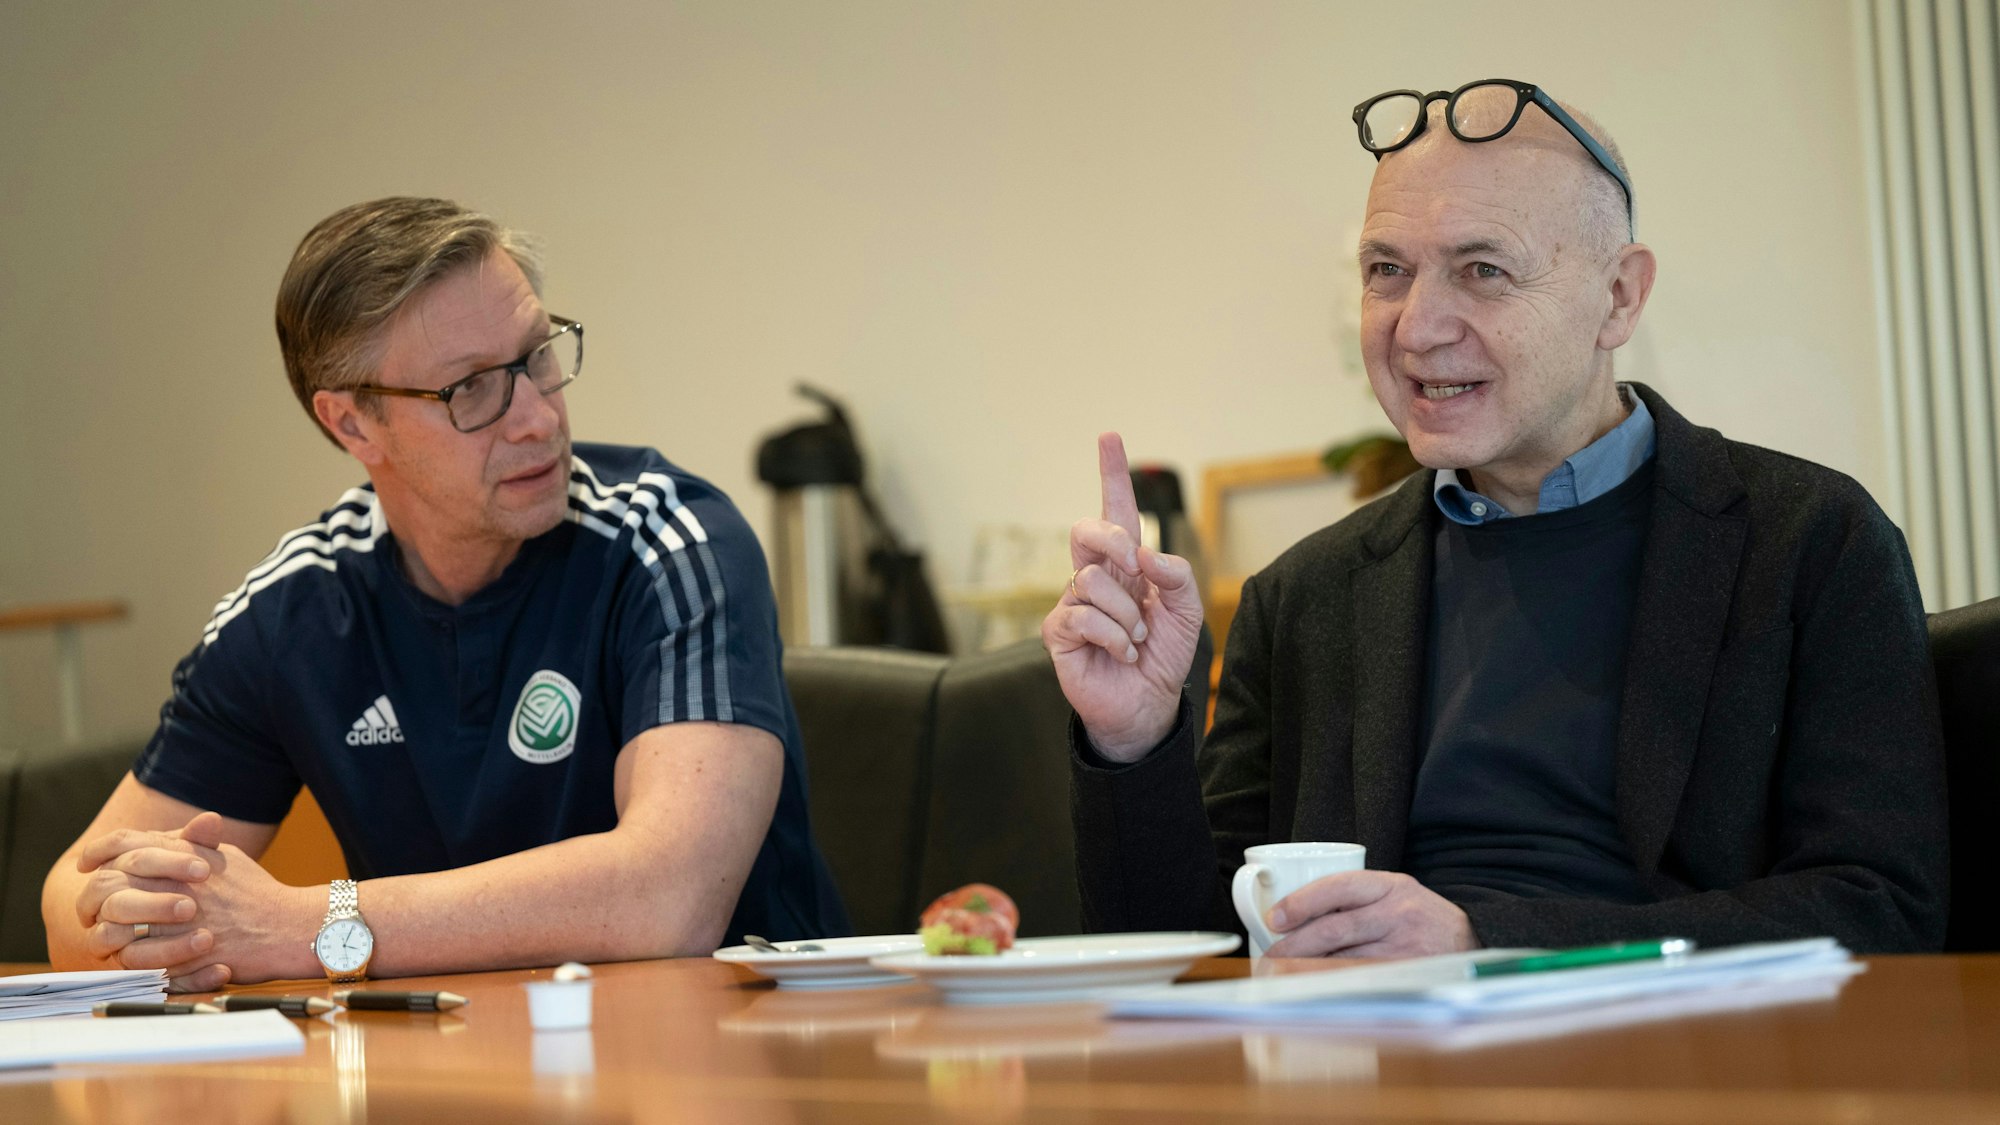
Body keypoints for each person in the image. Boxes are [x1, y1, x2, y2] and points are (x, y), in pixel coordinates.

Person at [1046, 80, 1947, 958]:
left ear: (1620, 298)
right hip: (1365, 1072)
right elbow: (1189, 949)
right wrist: (1133, 742)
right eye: (1386, 271)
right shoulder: (1304, 597)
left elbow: (1880, 905)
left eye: (1483, 269)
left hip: (1669, 1063)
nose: (1417, 326)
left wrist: (1488, 942)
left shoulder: (1811, 544)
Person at [43, 197, 847, 991]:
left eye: (536, 356)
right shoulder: (297, 610)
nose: (536, 416)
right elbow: (67, 908)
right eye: (470, 389)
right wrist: (135, 905)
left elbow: (671, 896)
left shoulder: (670, 540)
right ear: (353, 425)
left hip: (730, 1065)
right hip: (457, 1065)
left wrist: (309, 924)